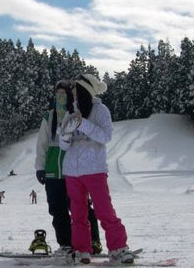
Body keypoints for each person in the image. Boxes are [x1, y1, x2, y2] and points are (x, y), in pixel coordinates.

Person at [59, 73, 133, 264]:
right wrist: (66, 135)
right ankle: (81, 249)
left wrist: (83, 124)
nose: (72, 92)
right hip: (72, 171)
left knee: (103, 209)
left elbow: (106, 137)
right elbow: (63, 145)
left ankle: (118, 247)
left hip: (94, 168)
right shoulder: (70, 111)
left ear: (84, 89)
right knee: (77, 213)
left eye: (75, 88)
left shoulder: (101, 111)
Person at [35, 80, 102, 255]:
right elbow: (42, 144)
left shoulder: (77, 113)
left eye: (64, 93)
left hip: (73, 171)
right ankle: (65, 244)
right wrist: (40, 167)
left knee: (82, 208)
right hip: (52, 171)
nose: (61, 97)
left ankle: (92, 241)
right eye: (58, 94)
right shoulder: (49, 117)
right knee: (58, 210)